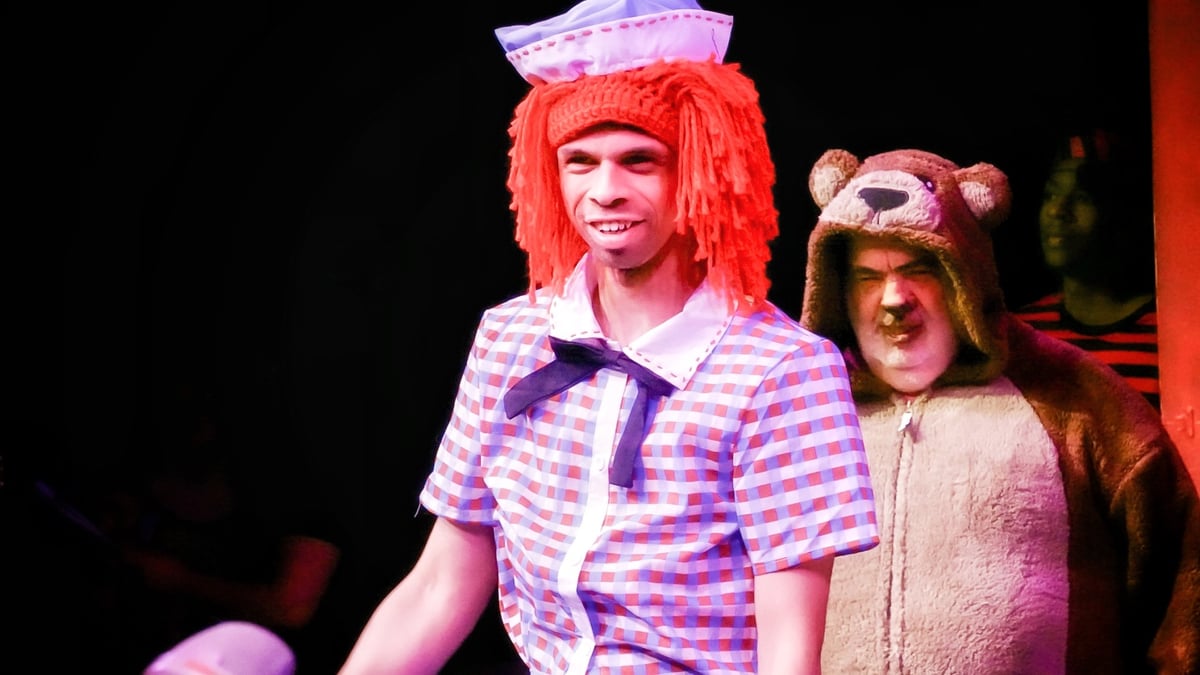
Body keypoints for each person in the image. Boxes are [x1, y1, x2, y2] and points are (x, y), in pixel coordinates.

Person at [338, 1, 879, 673]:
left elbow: (788, 653)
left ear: (698, 170)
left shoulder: (783, 369)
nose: (605, 190)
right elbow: (439, 585)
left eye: (639, 160)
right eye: (580, 161)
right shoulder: (511, 338)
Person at [799, 146, 1200, 673]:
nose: (894, 298)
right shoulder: (800, 413)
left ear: (965, 273)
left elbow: (1180, 592)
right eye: (868, 277)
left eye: (919, 269)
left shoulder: (1075, 401)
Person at [1013, 126, 1160, 409]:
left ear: (1120, 212)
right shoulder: (1021, 334)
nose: (1057, 211)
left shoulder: (1166, 336)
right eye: (1050, 195)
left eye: (1082, 197)